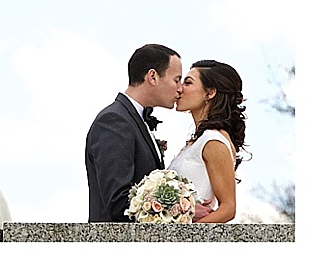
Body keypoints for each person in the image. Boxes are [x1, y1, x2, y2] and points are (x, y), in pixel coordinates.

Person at [85, 44, 183, 222]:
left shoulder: (134, 120)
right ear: (152, 76)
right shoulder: (114, 121)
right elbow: (118, 200)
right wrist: (179, 207)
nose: (180, 89)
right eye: (177, 80)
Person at [168, 60, 248, 223]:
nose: (180, 88)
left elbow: (228, 209)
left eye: (188, 83)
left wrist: (184, 236)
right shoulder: (197, 141)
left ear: (210, 93)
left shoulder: (213, 141)